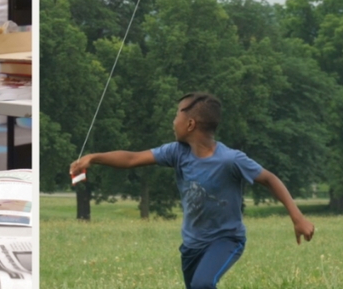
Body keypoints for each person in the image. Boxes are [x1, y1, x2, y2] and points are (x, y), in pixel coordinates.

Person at [69, 92, 315, 289]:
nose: (172, 121)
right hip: (191, 246)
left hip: (226, 240)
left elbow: (270, 179)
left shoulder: (231, 160)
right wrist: (94, 157)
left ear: (190, 123)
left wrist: (298, 217)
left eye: (177, 115)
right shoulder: (177, 153)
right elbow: (133, 158)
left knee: (203, 284)